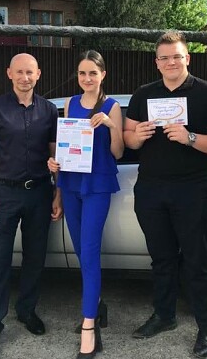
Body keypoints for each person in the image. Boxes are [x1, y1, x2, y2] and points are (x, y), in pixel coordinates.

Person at [123, 31, 207, 358]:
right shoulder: (144, 95)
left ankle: (206, 328)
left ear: (187, 58)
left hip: (195, 189)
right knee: (162, 258)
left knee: (199, 260)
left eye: (177, 56)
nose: (171, 62)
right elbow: (127, 138)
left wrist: (190, 137)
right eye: (164, 58)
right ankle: (164, 315)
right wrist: (137, 136)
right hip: (151, 189)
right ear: (157, 62)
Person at [0, 53, 63, 359]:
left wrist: (58, 194)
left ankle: (27, 311)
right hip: (4, 194)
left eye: (30, 72)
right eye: (19, 72)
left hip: (39, 192)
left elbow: (56, 155)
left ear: (38, 74)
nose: (25, 77)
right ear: (9, 74)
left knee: (35, 258)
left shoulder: (49, 110)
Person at [47, 50, 124, 359]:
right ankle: (97, 304)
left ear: (102, 74)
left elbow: (118, 152)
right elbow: (65, 145)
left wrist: (111, 125)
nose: (87, 78)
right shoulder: (70, 103)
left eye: (93, 72)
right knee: (80, 251)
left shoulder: (112, 106)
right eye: (82, 73)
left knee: (90, 253)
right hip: (70, 183)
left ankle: (89, 326)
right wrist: (55, 164)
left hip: (97, 185)